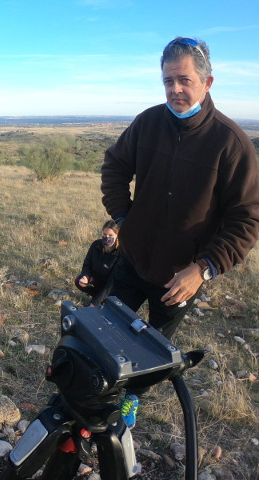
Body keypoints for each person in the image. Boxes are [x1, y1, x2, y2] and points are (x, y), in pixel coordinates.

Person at [101, 36, 259, 427]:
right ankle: (92, 390)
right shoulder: (148, 122)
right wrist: (124, 217)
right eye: (168, 80)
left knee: (154, 348)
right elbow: (115, 167)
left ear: (207, 83)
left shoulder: (231, 142)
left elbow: (247, 217)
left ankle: (130, 399)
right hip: (133, 257)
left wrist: (203, 268)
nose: (175, 89)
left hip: (180, 277)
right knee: (106, 331)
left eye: (184, 79)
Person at [74, 220, 120, 306]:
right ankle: (96, 297)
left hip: (111, 288)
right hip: (96, 280)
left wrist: (94, 303)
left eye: (110, 235)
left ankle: (100, 301)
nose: (107, 237)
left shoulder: (120, 253)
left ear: (117, 235)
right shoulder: (96, 245)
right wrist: (85, 276)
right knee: (79, 281)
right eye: (104, 234)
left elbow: (112, 283)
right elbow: (87, 264)